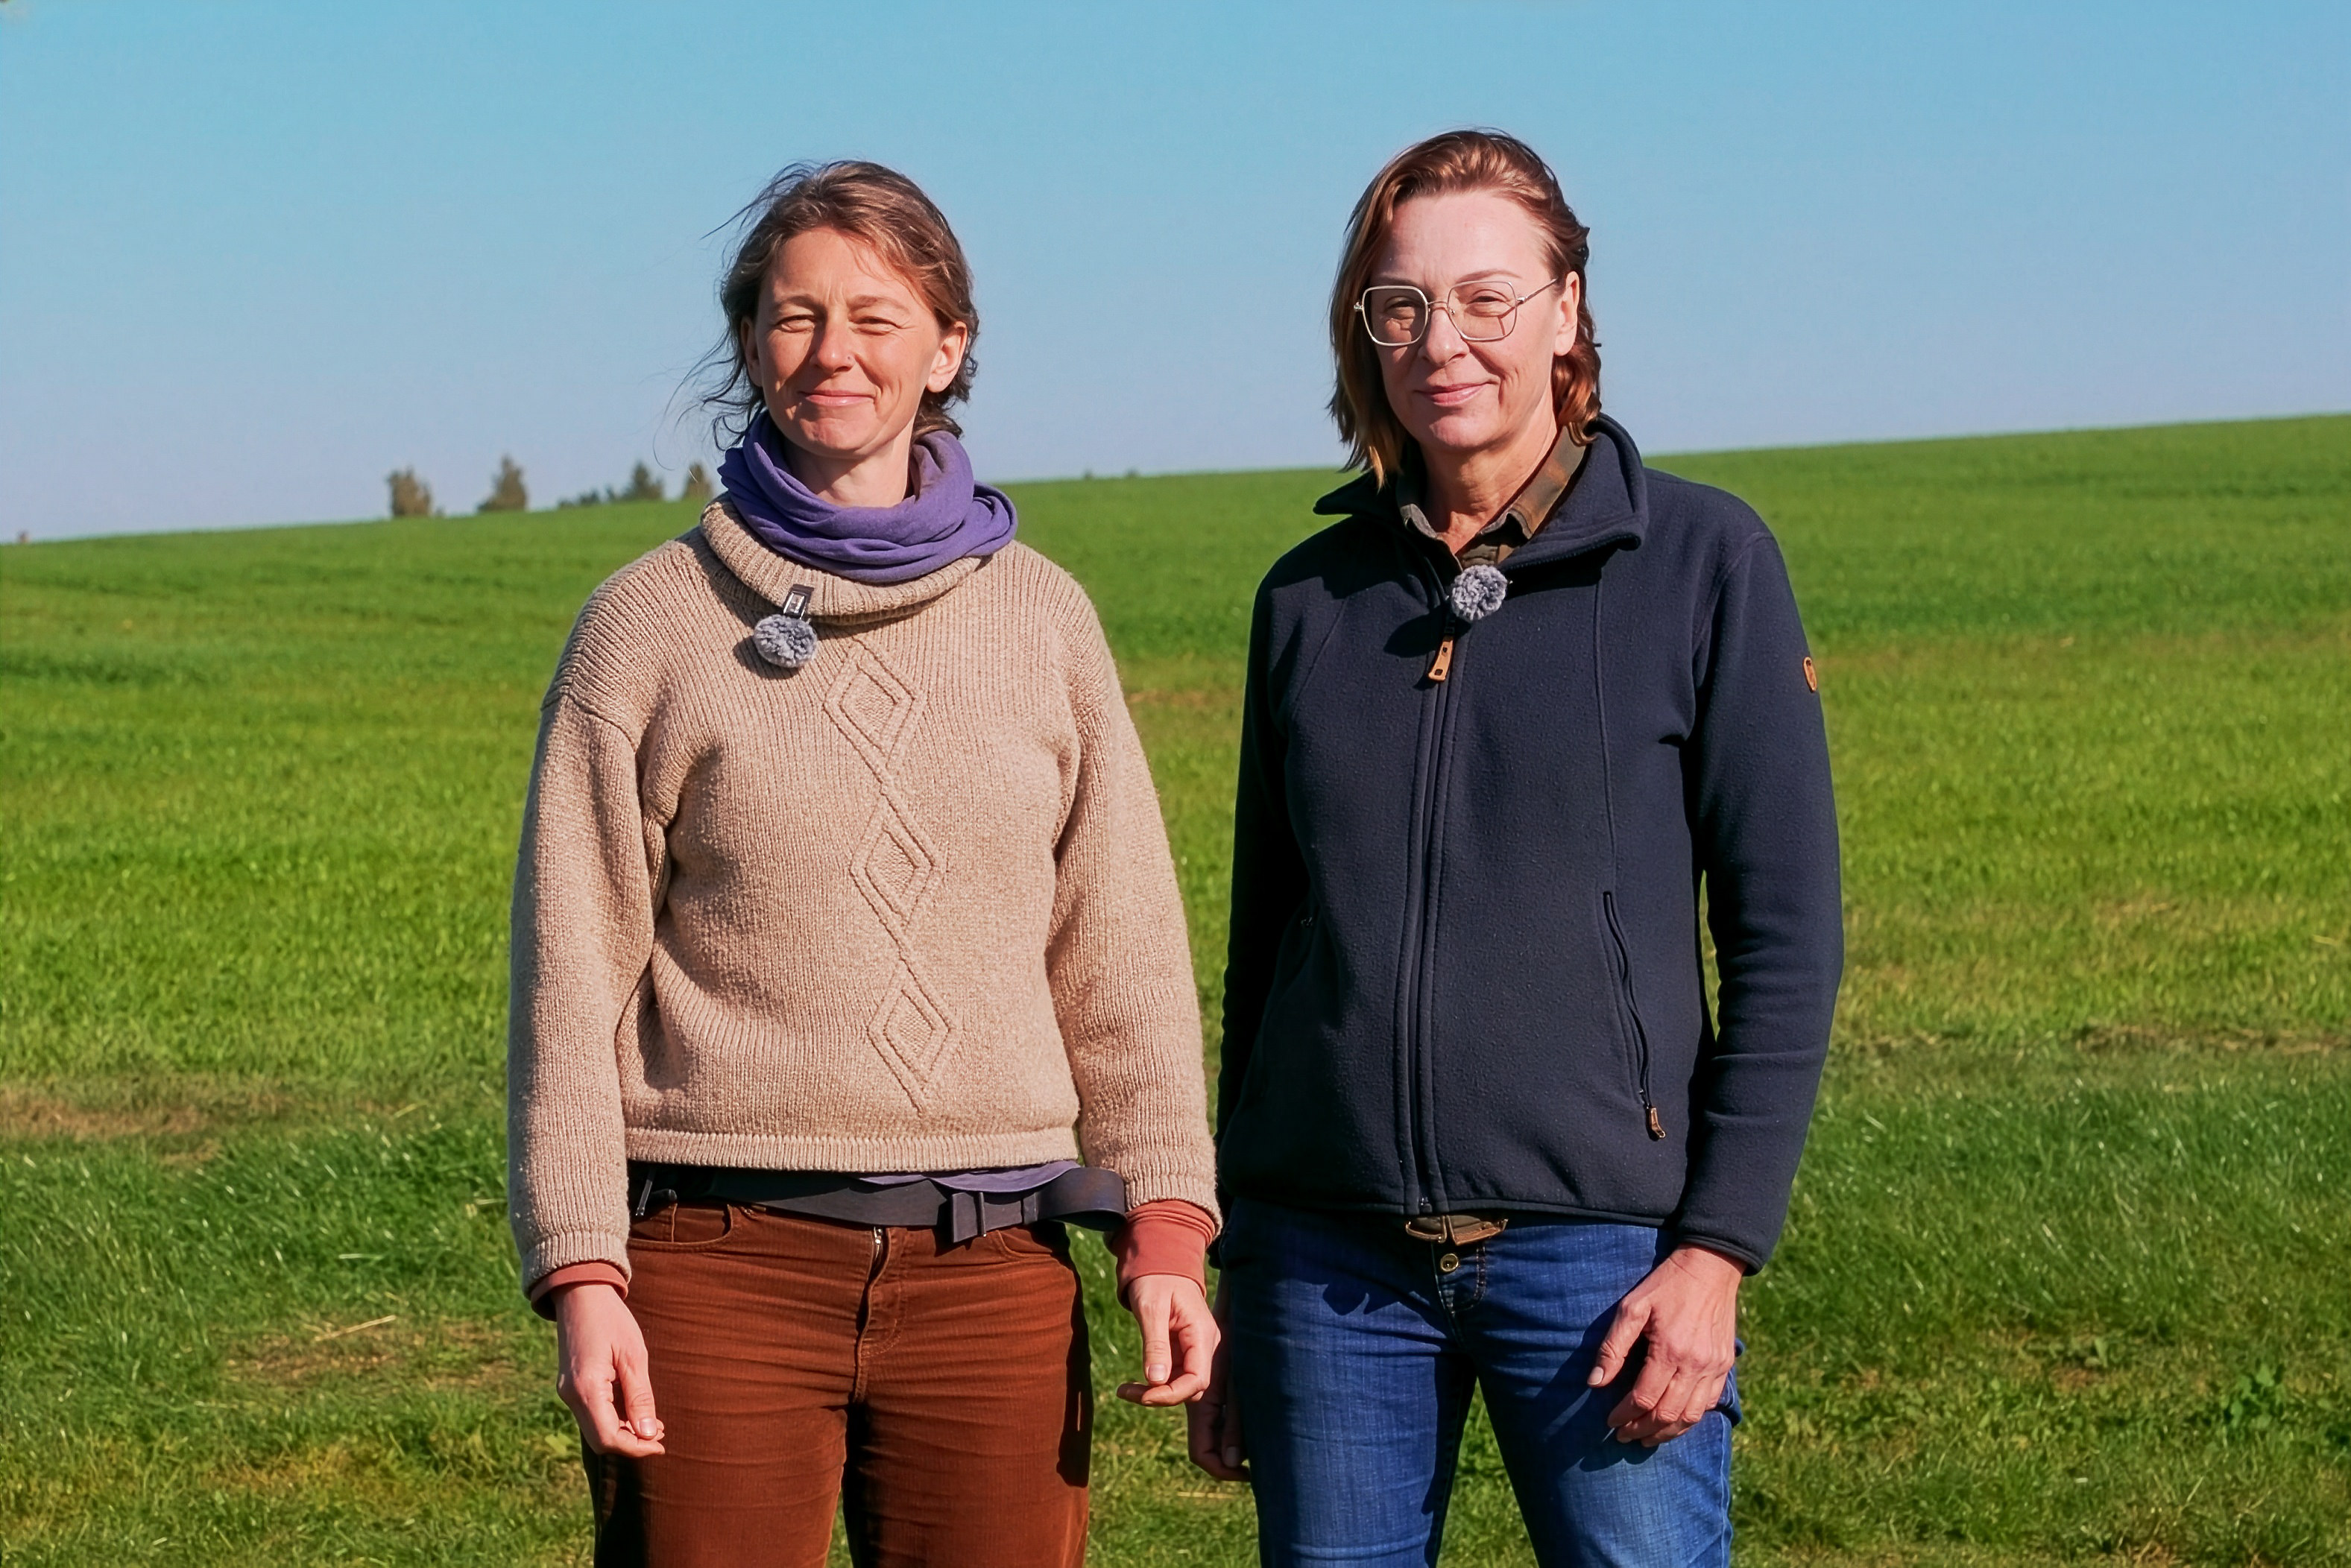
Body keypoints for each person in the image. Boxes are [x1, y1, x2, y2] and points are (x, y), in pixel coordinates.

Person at [508, 160, 1222, 1568]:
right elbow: (568, 980)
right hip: (718, 1272)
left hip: (993, 1278)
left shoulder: (1045, 622)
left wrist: (1166, 1227)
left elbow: (1121, 950)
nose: (831, 354)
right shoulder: (645, 628)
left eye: (877, 318)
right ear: (750, 342)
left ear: (948, 346)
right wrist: (586, 1272)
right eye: (793, 317)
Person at [1193, 130, 1843, 1567]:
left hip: (1605, 1262)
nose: (1445, 341)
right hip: (1327, 1263)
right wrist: (1247, 1253)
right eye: (1400, 305)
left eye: (1488, 298)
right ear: (1363, 333)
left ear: (1566, 310)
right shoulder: (1309, 597)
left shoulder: (1700, 562)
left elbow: (1785, 941)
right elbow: (1269, 948)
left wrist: (1715, 1252)